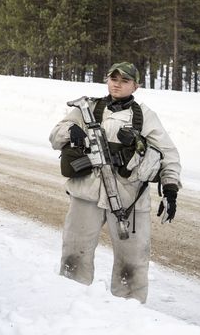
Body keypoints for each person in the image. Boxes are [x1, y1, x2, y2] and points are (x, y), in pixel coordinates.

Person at [48, 61, 182, 303]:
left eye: (124, 81)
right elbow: (55, 135)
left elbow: (168, 154)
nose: (117, 84)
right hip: (86, 194)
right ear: (107, 80)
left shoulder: (145, 117)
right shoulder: (88, 108)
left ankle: (128, 315)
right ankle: (68, 305)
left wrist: (170, 188)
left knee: (132, 263)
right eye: (114, 79)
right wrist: (71, 132)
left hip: (128, 199)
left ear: (136, 86)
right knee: (74, 254)